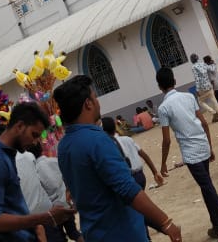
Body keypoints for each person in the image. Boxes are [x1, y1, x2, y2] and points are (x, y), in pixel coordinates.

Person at [53, 75, 181, 242]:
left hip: (94, 232)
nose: (97, 102)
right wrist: (166, 223)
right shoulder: (97, 140)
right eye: (94, 97)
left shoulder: (63, 146)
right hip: (122, 233)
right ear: (88, 103)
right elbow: (127, 189)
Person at [156, 68, 218, 242]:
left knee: (208, 188)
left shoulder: (164, 108)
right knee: (206, 186)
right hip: (202, 146)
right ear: (174, 80)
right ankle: (217, 226)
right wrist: (209, 147)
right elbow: (204, 123)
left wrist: (163, 163)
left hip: (191, 152)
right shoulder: (188, 97)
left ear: (159, 86)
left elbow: (166, 141)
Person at [0, 102, 74, 242]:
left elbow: (12, 208)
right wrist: (45, 217)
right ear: (19, 126)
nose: (34, 142)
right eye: (34, 134)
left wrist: (37, 227)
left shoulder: (6, 156)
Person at [32, 144, 83, 242]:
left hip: (52, 212)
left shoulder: (34, 169)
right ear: (41, 150)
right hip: (66, 204)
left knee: (58, 238)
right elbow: (68, 177)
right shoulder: (55, 161)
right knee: (74, 233)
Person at [190, 54, 218, 123]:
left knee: (200, 102)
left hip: (202, 88)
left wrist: (197, 89)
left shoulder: (193, 67)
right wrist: (213, 64)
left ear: (191, 60)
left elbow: (197, 79)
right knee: (214, 100)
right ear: (198, 58)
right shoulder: (203, 64)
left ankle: (213, 112)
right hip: (209, 86)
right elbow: (212, 69)